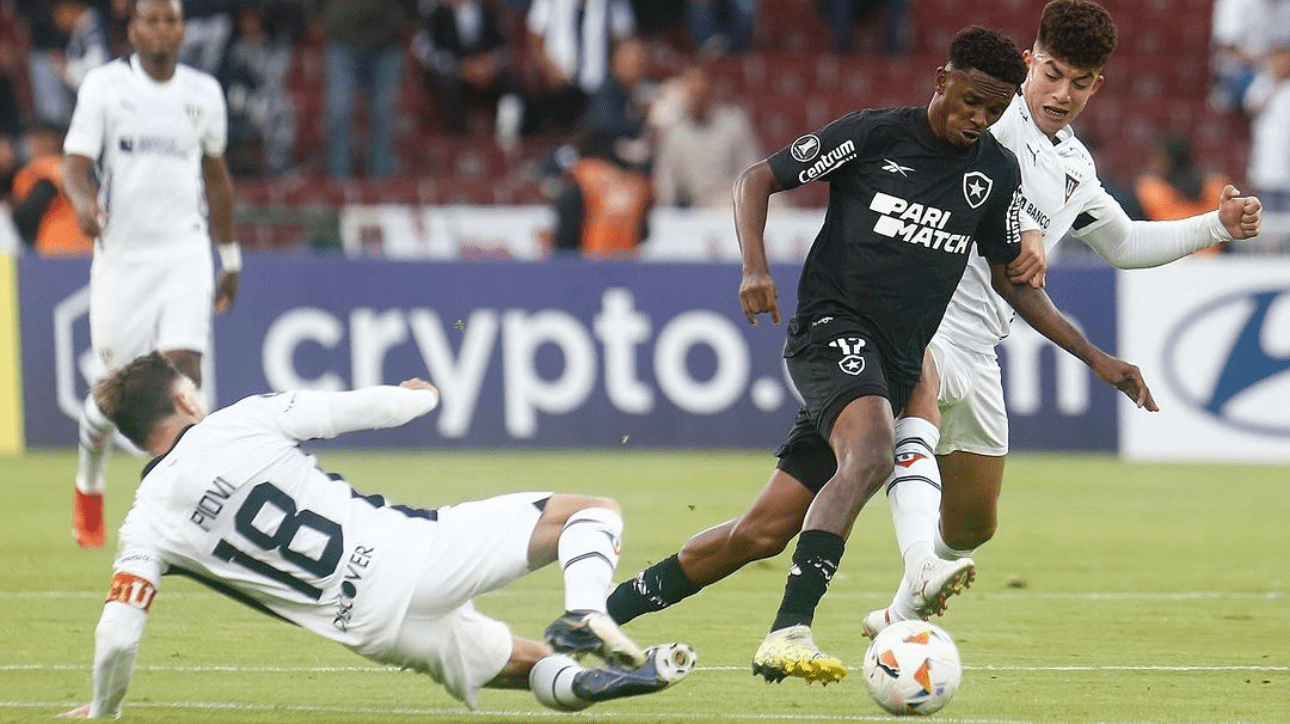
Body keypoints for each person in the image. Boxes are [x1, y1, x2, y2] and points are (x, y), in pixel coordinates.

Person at [608, 26, 1108, 684]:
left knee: (761, 533)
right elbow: (758, 178)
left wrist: (1097, 358)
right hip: (831, 329)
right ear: (941, 80)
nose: (976, 119)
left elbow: (1015, 280)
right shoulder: (873, 135)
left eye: (992, 110)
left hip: (893, 362)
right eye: (968, 102)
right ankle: (788, 630)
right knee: (872, 454)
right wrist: (754, 268)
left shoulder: (993, 170)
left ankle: (598, 614)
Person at [858, 0, 1264, 637]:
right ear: (1029, 63)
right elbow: (982, 194)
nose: (1061, 93)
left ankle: (896, 616)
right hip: (920, 316)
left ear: (1096, 84)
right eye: (1050, 73)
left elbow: (1126, 244)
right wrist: (1023, 229)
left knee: (973, 527)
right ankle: (914, 567)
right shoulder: (987, 121)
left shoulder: (1075, 166)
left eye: (1079, 82)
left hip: (983, 345)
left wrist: (1216, 224)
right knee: (920, 395)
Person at [55, 352, 696, 719]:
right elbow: (360, 410)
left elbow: (116, 634)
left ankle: (597, 683)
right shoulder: (238, 420)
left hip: (372, 629)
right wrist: (416, 397)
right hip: (409, 556)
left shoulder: (145, 523)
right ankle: (586, 611)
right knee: (590, 514)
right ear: (186, 401)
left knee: (522, 663)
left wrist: (104, 712)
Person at [62, 0, 241, 550]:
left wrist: (229, 256)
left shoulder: (203, 93)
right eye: (151, 20)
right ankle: (89, 483)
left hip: (184, 252)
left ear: (182, 30)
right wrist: (85, 206)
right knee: (115, 396)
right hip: (123, 258)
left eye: (171, 20)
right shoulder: (104, 87)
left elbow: (217, 176)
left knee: (185, 373)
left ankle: (186, 515)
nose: (162, 29)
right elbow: (75, 164)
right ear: (134, 29)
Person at [307, 0, 414, 178]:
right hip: (342, 40)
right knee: (339, 110)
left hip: (388, 42)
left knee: (383, 112)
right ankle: (339, 182)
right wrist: (314, 16)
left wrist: (410, 18)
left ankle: (381, 184)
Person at [414, 0, 527, 150]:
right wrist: (461, 68)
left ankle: (507, 139)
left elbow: (505, 47)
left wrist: (490, 64)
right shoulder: (437, 14)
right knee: (448, 88)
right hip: (452, 75)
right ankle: (460, 142)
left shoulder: (488, 11)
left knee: (513, 86)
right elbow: (425, 51)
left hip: (486, 74)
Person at [651, 64, 763, 209]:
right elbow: (665, 183)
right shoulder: (674, 134)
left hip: (733, 198)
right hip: (696, 205)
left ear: (710, 93)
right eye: (693, 94)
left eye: (702, 93)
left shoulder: (734, 122)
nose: (698, 100)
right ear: (686, 97)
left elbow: (750, 168)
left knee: (778, 204)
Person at [551, 127, 651, 258]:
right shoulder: (636, 183)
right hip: (627, 263)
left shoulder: (585, 176)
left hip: (590, 264)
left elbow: (567, 231)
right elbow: (644, 232)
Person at [1133, 135, 1231, 256]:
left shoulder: (1151, 189)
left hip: (1170, 257)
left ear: (1167, 160)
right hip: (1209, 258)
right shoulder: (1216, 187)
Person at [11, 122, 93, 255]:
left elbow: (26, 217)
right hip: (82, 248)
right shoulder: (76, 168)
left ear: (55, 141)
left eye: (41, 139)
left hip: (58, 250)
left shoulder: (52, 168)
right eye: (33, 139)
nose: (35, 144)